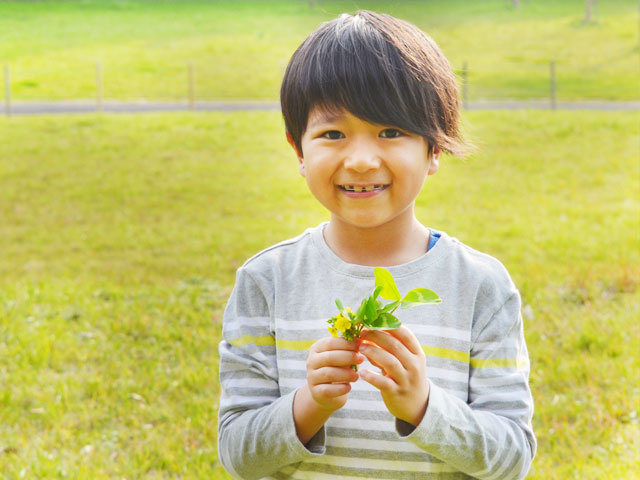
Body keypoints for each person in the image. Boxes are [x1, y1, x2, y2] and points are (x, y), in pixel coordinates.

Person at [218, 10, 536, 480]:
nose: (362, 160)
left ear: (434, 149)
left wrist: (424, 406)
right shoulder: (266, 281)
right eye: (332, 134)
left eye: (391, 131)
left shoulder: (480, 286)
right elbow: (237, 455)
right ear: (298, 150)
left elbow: (513, 458)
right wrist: (309, 405)